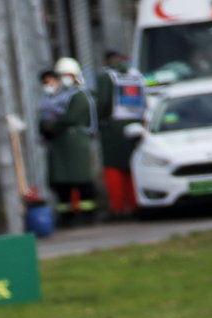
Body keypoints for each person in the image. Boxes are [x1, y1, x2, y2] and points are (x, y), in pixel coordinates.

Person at [42, 57, 98, 226]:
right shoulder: (61, 96)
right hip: (61, 146)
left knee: (81, 180)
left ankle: (88, 215)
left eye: (67, 75)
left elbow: (70, 118)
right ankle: (66, 217)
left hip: (75, 145)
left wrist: (52, 127)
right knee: (62, 185)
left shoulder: (79, 96)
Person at [95, 50, 144, 220]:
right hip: (137, 123)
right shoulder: (136, 74)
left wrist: (98, 122)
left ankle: (118, 208)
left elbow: (103, 103)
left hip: (114, 127)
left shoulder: (107, 76)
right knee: (133, 166)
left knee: (113, 167)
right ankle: (136, 204)